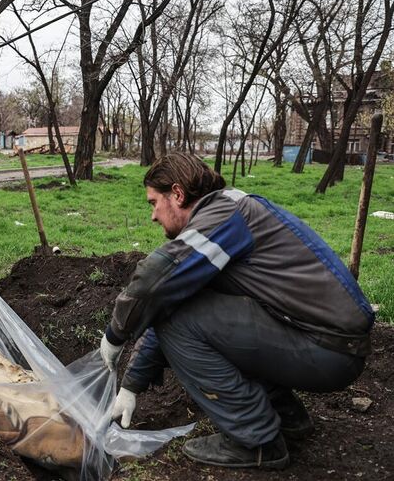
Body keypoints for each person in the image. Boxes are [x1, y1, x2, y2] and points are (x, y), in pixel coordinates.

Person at [99, 154, 374, 469]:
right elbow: (172, 297)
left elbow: (154, 282)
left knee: (179, 322)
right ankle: (288, 419)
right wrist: (132, 385)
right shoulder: (225, 214)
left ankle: (256, 440)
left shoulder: (226, 216)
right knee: (189, 312)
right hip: (326, 341)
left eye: (153, 202)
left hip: (330, 348)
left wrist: (115, 334)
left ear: (177, 194)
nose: (153, 216)